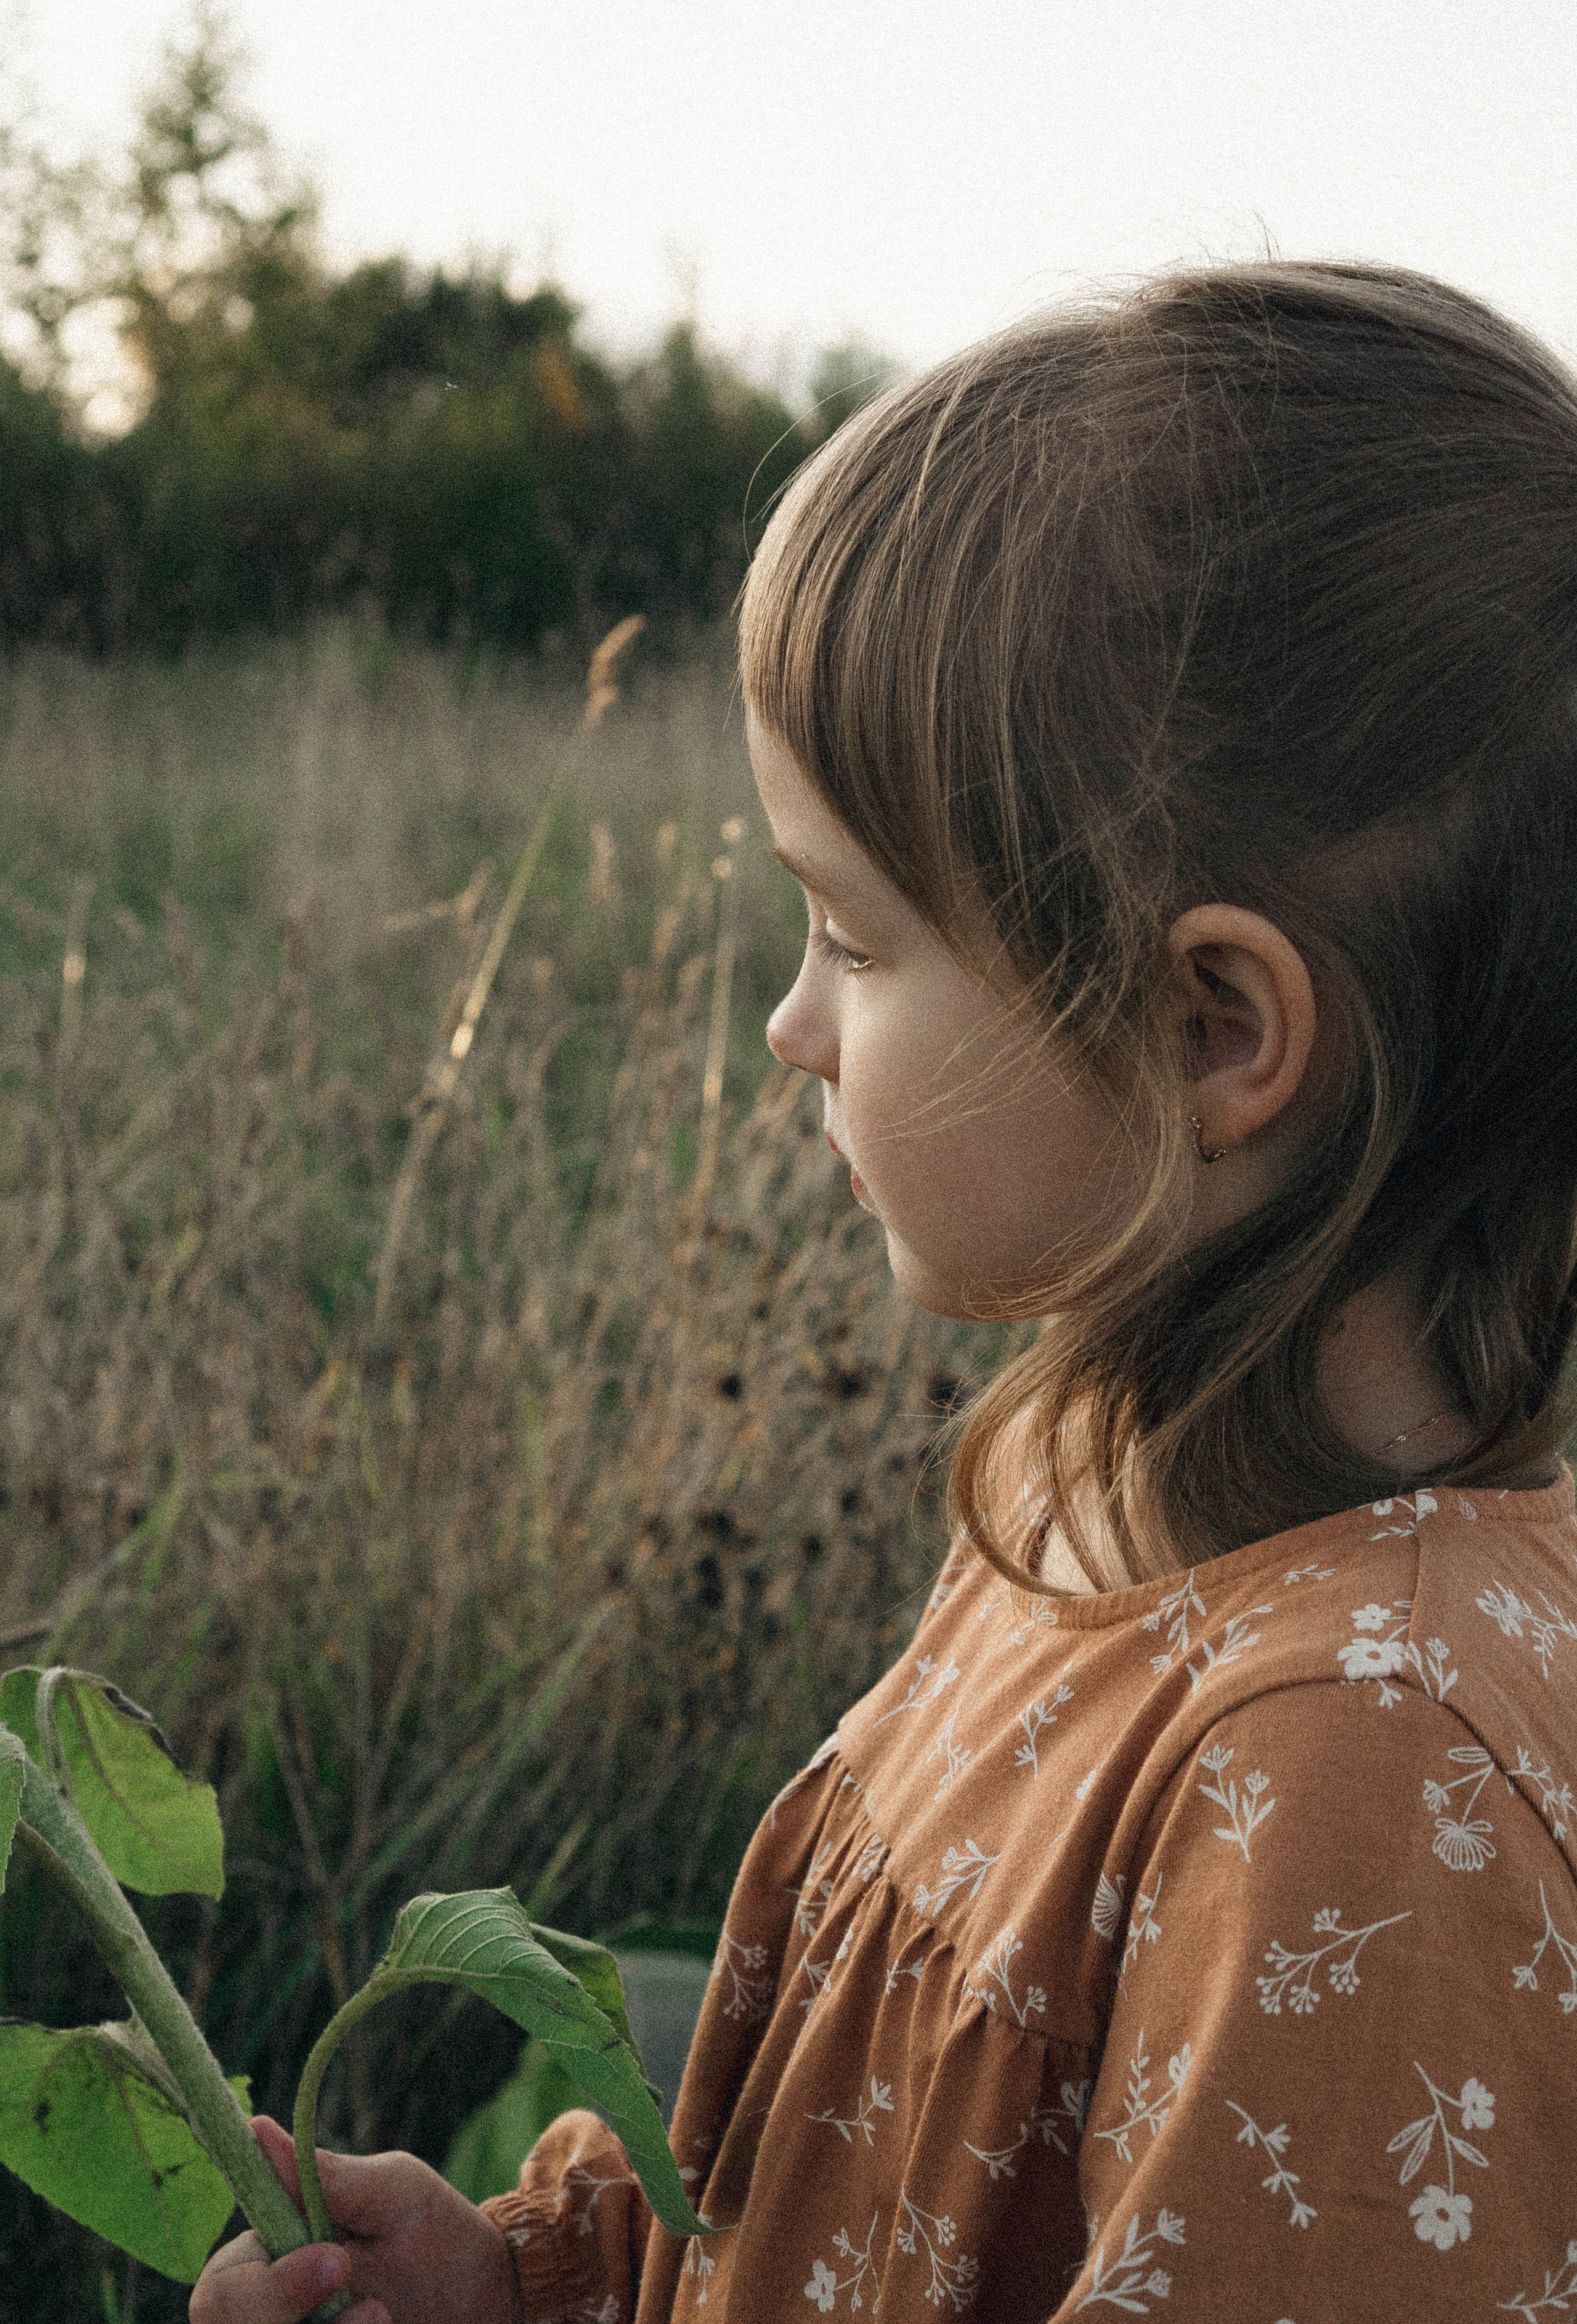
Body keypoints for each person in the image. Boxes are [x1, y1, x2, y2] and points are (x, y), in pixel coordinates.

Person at [192, 261, 1577, 2324]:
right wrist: (542, 2284)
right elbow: (842, 2151)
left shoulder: (1366, 1771)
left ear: (1209, 1028)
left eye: (850, 934)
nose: (789, 1029)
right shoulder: (1099, 1492)